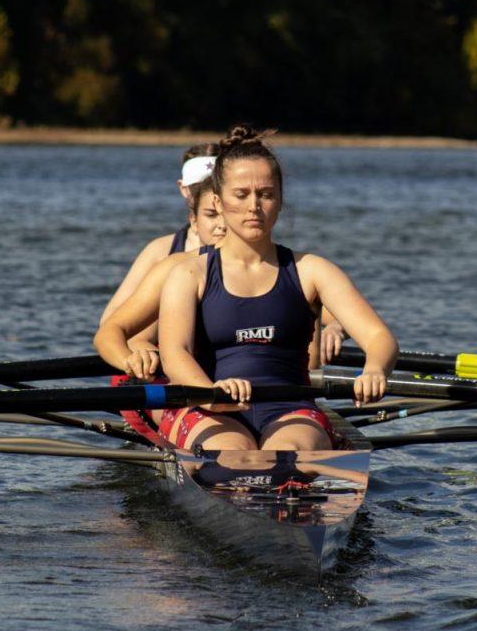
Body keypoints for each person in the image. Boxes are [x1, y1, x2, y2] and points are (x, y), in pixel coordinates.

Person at [158, 125, 398, 452]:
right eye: (241, 194)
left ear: (280, 200)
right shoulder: (189, 273)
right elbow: (175, 354)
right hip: (208, 406)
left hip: (290, 410)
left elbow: (379, 338)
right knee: (234, 454)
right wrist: (212, 395)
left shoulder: (312, 270)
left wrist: (373, 370)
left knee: (287, 456)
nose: (254, 206)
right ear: (218, 200)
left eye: (266, 194)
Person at [98, 142, 219, 325]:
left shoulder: (253, 247)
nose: (207, 194)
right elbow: (109, 321)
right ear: (183, 188)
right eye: (198, 187)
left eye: (216, 187)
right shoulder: (160, 250)